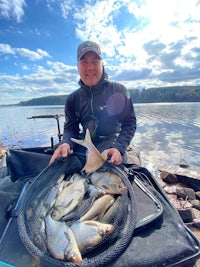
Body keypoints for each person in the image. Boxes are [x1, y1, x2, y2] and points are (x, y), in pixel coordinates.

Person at [50, 40, 139, 166]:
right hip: (85, 145)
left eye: (95, 62)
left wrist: (119, 148)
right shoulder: (72, 99)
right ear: (77, 66)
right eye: (84, 62)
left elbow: (129, 123)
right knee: (61, 162)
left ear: (102, 64)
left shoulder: (119, 90)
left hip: (111, 144)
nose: (90, 67)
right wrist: (66, 143)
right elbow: (71, 128)